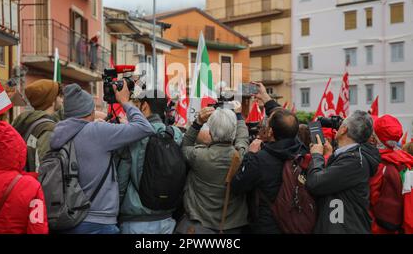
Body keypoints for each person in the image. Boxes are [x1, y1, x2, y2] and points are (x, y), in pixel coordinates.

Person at [49, 83, 154, 234]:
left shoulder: (58, 133)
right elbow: (144, 127)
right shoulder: (97, 131)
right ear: (89, 110)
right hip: (98, 222)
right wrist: (125, 101)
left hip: (67, 218)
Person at [231, 82, 309, 234]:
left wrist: (250, 155)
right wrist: (266, 98)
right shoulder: (301, 149)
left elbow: (237, 186)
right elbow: (287, 122)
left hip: (266, 225)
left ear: (271, 132)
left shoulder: (258, 159)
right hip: (293, 222)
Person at [117, 90, 184, 234]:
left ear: (144, 106)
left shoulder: (133, 134)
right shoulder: (176, 134)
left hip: (135, 220)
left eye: (136, 106)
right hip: (167, 219)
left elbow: (122, 178)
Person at [176, 104, 249, 234]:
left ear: (210, 132)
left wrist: (197, 123)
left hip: (199, 224)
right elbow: (243, 138)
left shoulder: (198, 155)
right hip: (232, 225)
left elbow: (185, 145)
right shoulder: (240, 156)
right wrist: (239, 116)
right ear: (234, 132)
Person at [307, 110, 381, 234]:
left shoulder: (354, 161)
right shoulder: (352, 157)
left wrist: (316, 155)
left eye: (340, 125)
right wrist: (330, 156)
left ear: (343, 130)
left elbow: (315, 183)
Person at [369, 115, 413, 234]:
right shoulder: (407, 160)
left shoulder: (378, 164)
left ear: (375, 137)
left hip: (380, 228)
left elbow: (370, 197)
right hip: (403, 224)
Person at [12, 79, 63, 172]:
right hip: (39, 184)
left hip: (26, 181)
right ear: (52, 100)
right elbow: (47, 170)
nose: (61, 99)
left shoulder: (27, 121)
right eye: (59, 96)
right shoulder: (48, 128)